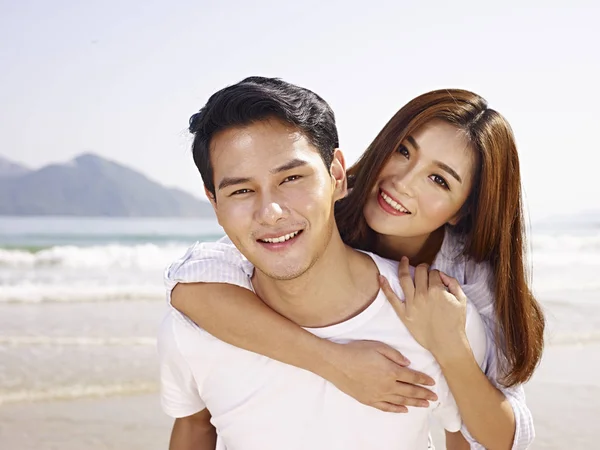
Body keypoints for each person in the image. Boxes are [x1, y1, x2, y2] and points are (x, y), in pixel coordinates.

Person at [166, 82, 545, 449]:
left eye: (438, 179)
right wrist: (334, 362)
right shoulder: (306, 211)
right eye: (403, 151)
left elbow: (500, 438)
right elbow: (191, 285)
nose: (402, 183)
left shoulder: (464, 285)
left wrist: (450, 348)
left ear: (462, 210)